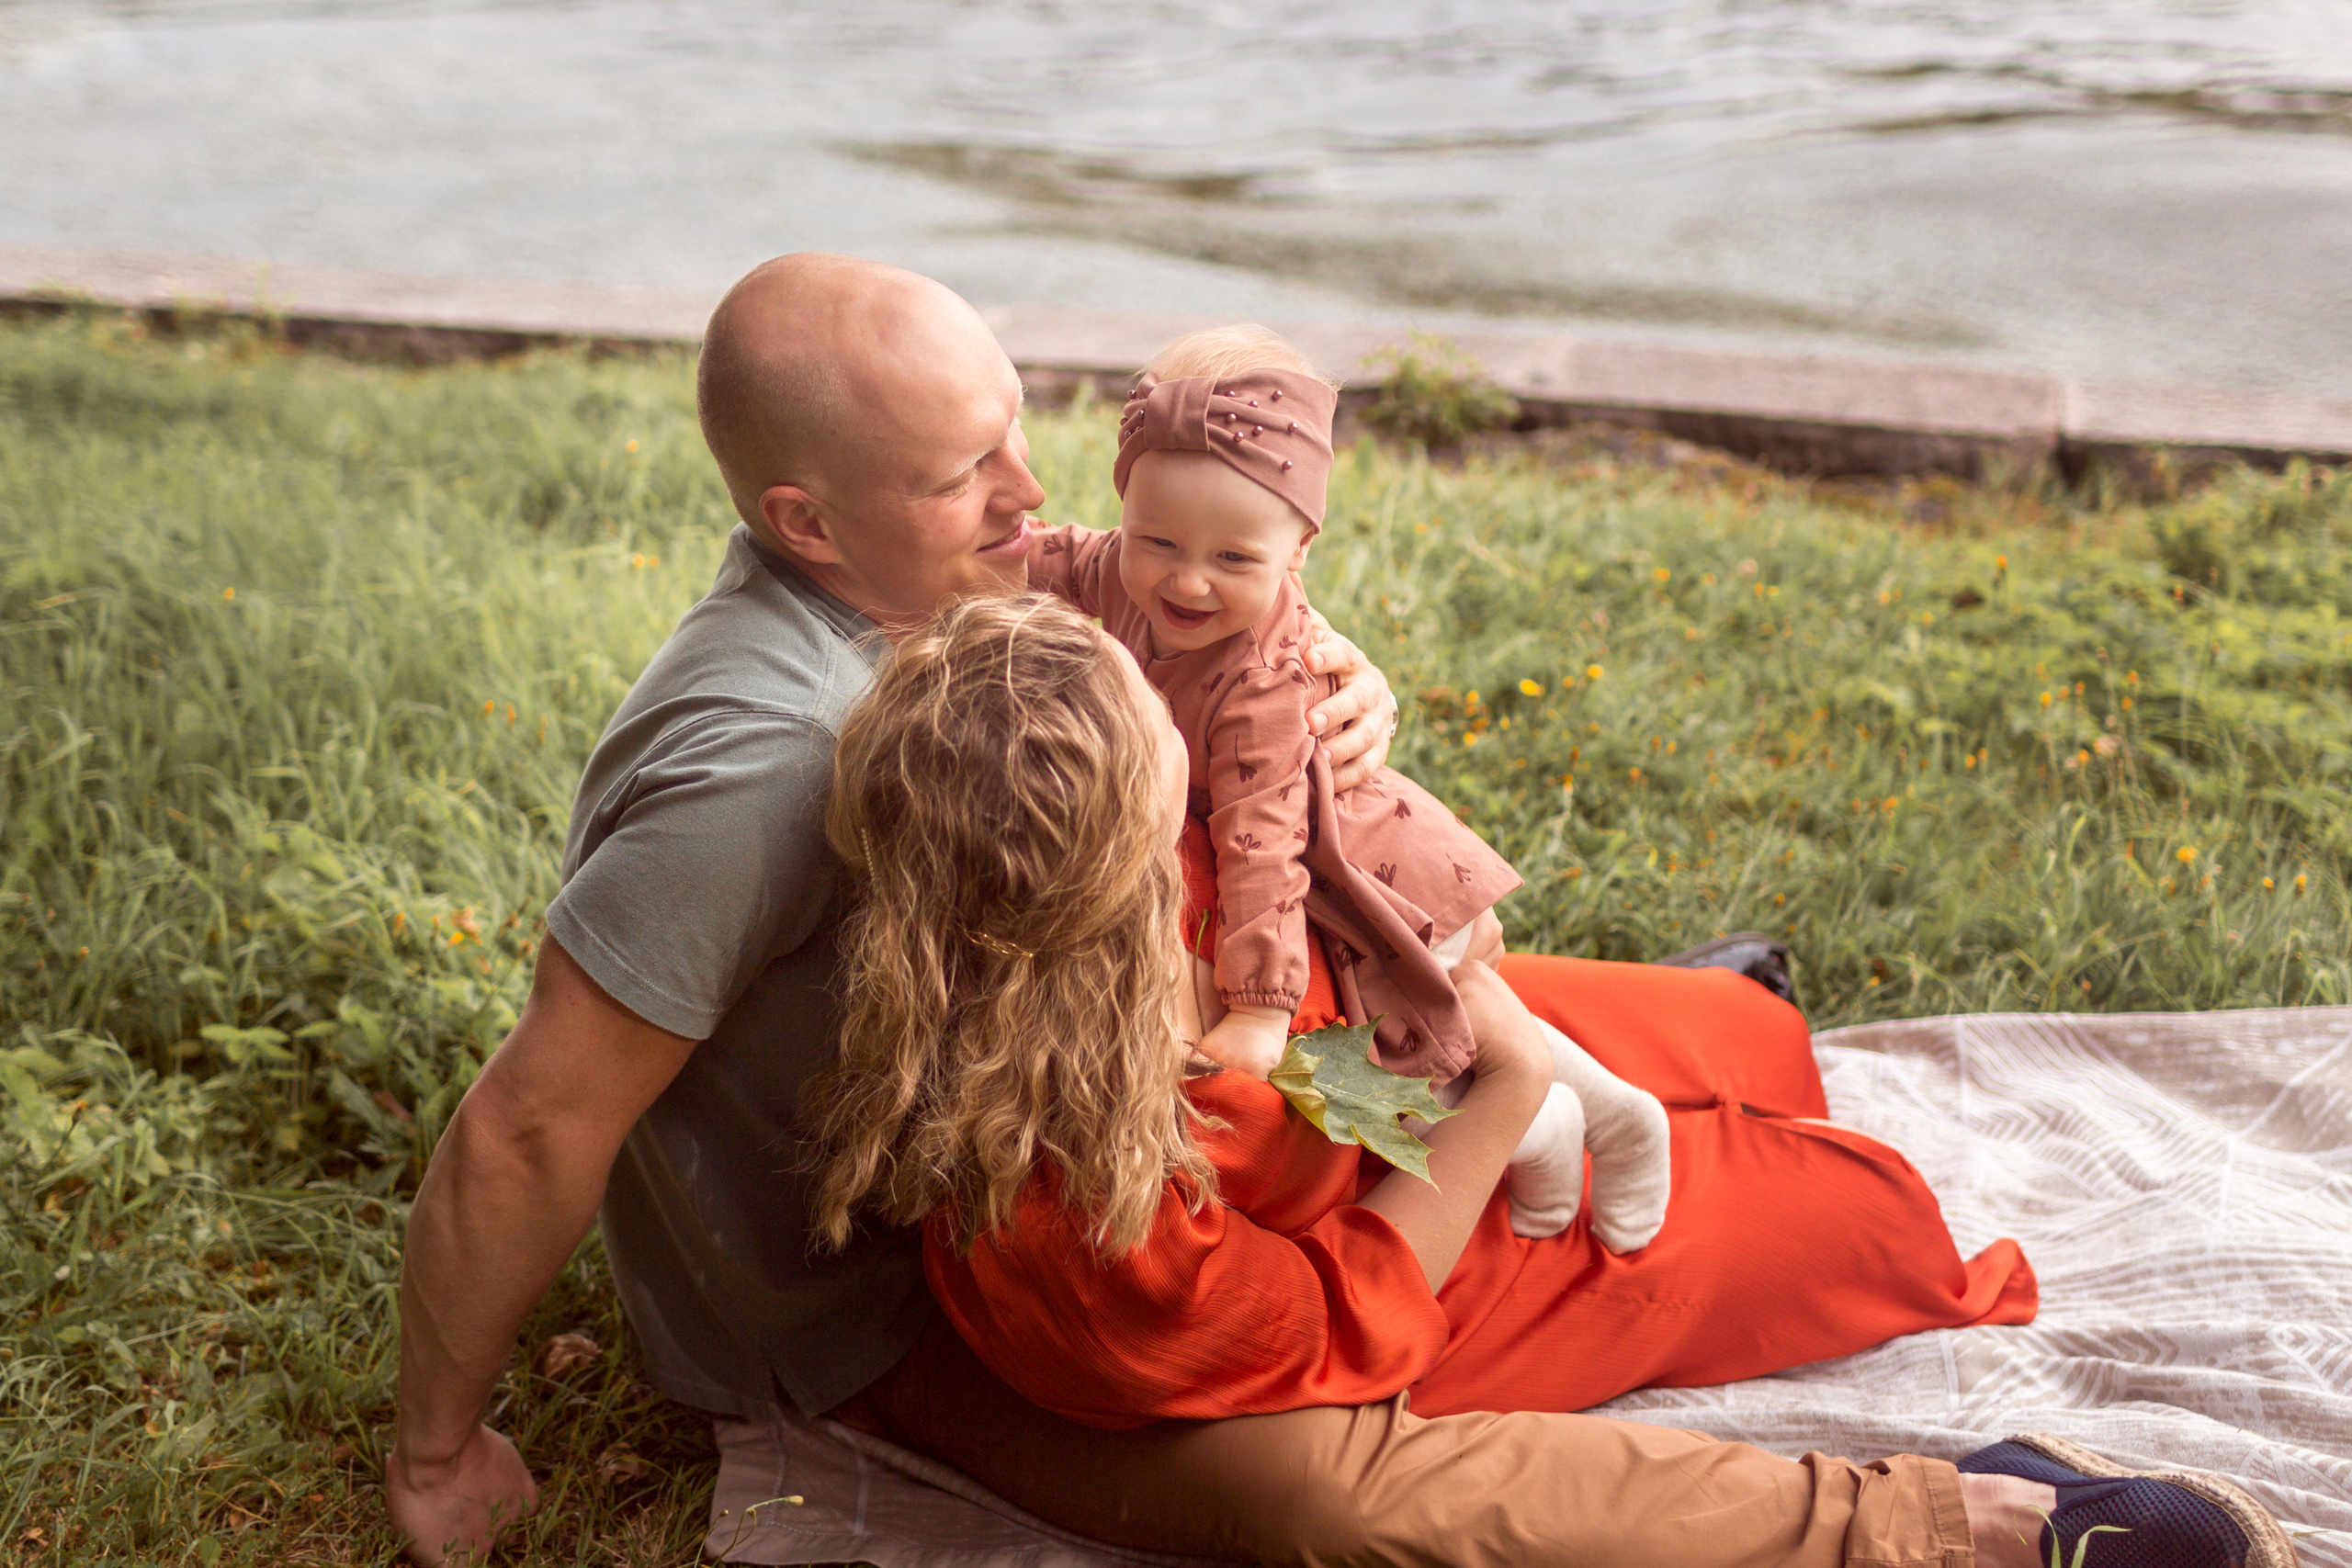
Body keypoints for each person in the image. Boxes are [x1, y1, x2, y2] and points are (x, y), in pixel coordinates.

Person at [384, 253, 2294, 1568]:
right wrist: (435, 1444)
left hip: (1157, 1071)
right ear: (806, 519)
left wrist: (1315, 680)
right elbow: (539, 1114)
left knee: (1482, 1034)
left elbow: (1167, 621)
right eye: (972, 469)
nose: (1028, 490)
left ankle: (1680, 1040)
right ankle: (1957, 1525)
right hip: (924, 1282)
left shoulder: (922, 591)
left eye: (1012, 434)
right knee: (1336, 1488)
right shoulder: (762, 759)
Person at [815, 592, 2294, 1568]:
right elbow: (1339, 1329)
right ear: (1111, 870)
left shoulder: (997, 859)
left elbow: (1218, 609)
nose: (1218, 801)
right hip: (1348, 1277)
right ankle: (1958, 1517)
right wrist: (1505, 1086)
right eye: (1178, 788)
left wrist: (1331, 680)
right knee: (1863, 1226)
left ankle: (1723, 1020)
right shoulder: (1089, 1190)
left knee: (1740, 1043)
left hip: (1332, 1109)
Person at [1025, 323, 1667, 1245]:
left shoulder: (1265, 680)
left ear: (1298, 555)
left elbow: (1261, 844)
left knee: (1411, 1045)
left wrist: (1256, 1008)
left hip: (1352, 872)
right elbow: (1037, 555)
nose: (1188, 581)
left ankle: (1567, 1123)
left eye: (1234, 559)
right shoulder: (1111, 571)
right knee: (1457, 1020)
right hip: (1301, 856)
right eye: (1156, 539)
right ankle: (1594, 1112)